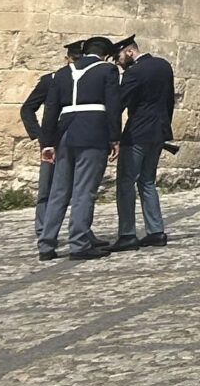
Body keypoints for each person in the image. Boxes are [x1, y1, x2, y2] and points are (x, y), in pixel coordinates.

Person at [36, 35, 122, 261]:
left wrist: (47, 142)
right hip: (92, 132)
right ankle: (79, 242)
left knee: (59, 191)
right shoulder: (107, 70)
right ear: (106, 54)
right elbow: (113, 106)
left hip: (64, 133)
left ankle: (46, 243)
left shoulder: (63, 73)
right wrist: (115, 138)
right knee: (84, 190)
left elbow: (50, 109)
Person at [112, 34, 176, 251]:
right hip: (158, 132)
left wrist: (112, 135)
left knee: (126, 182)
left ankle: (127, 233)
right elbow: (169, 101)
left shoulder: (134, 72)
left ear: (130, 51)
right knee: (147, 181)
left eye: (119, 56)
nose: (118, 62)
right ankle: (156, 231)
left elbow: (120, 103)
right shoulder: (163, 66)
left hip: (137, 133)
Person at [18, 58, 61, 217]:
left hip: (75, 137)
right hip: (51, 139)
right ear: (67, 59)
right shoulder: (51, 80)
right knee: (46, 185)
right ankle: (43, 227)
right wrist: (38, 134)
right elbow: (27, 108)